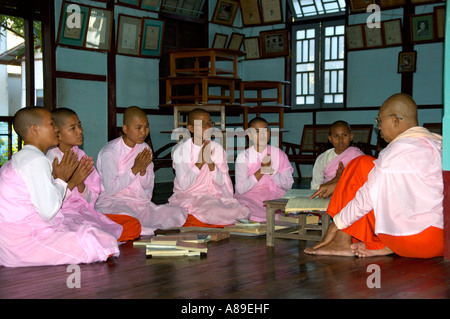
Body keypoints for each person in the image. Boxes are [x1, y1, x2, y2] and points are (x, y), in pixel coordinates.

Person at [305, 93, 444, 258]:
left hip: (411, 241)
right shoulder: (440, 145)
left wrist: (335, 224)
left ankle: (342, 241)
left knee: (360, 164)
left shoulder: (394, 152)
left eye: (380, 120)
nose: (378, 127)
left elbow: (367, 197)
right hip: (442, 240)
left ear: (395, 119)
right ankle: (383, 246)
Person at [0, 107, 120, 267]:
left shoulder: (26, 157)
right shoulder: (37, 161)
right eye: (51, 124)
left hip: (13, 241)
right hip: (25, 243)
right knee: (102, 241)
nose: (56, 128)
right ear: (35, 129)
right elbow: (48, 211)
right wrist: (64, 180)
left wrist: (70, 182)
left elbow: (46, 204)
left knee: (94, 233)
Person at [47, 107, 141, 242]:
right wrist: (73, 181)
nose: (80, 131)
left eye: (79, 125)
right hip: (64, 215)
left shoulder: (81, 155)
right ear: (58, 134)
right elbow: (51, 203)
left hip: (84, 212)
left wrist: (80, 184)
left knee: (132, 224)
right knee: (89, 234)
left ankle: (100, 238)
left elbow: (93, 196)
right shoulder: (52, 160)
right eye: (73, 128)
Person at [95, 106, 187, 236]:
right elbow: (110, 189)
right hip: (115, 202)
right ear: (125, 129)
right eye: (138, 128)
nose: (143, 132)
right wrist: (134, 170)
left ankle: (137, 227)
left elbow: (147, 186)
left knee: (178, 213)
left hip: (138, 202)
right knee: (126, 217)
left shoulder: (144, 149)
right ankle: (135, 227)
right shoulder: (110, 152)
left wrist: (143, 171)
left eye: (146, 127)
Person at [169, 108, 250, 227]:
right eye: (202, 124)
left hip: (212, 196)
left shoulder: (217, 149)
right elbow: (184, 185)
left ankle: (204, 222)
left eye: (210, 123)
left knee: (237, 210)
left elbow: (223, 182)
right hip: (190, 196)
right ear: (191, 128)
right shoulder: (180, 151)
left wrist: (211, 164)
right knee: (209, 211)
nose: (208, 127)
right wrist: (200, 162)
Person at [234, 117, 294, 222]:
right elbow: (241, 189)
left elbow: (288, 185)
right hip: (251, 197)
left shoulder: (279, 154)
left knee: (286, 209)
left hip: (275, 196)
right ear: (249, 135)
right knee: (238, 208)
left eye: (265, 131)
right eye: (257, 132)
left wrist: (271, 171)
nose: (262, 135)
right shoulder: (243, 156)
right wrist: (261, 171)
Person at [310, 121, 364, 190]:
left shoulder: (357, 155)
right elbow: (315, 187)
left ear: (351, 137)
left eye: (344, 135)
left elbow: (364, 181)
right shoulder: (323, 158)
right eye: (336, 136)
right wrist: (336, 179)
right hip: (327, 196)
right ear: (330, 139)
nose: (340, 139)